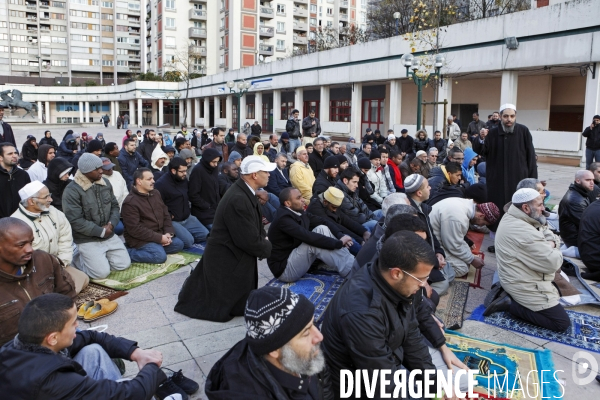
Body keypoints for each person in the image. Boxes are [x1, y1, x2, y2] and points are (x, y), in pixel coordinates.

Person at [322, 231, 454, 397]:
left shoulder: (394, 284)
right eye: (421, 279)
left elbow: (412, 336)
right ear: (397, 273)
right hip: (359, 386)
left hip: (387, 363)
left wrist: (436, 387)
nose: (424, 285)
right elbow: (382, 383)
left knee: (454, 382)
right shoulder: (362, 312)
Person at [0, 293, 198, 399]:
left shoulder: (24, 343)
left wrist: (135, 353)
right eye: (73, 323)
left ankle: (130, 385)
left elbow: (94, 336)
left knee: (92, 349)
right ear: (52, 338)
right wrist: (152, 369)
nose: (79, 325)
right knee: (132, 390)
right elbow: (132, 394)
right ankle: (156, 382)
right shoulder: (52, 382)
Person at [174, 156, 274, 322]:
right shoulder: (238, 198)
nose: (269, 175)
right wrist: (269, 247)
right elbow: (247, 240)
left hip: (232, 252)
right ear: (254, 175)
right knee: (226, 303)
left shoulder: (244, 191)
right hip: (226, 257)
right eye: (266, 172)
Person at [206, 286, 327, 398]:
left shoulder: (301, 355)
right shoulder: (251, 393)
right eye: (306, 332)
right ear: (274, 350)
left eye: (313, 324)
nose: (319, 336)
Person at [484, 188, 570, 332]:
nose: (543, 208)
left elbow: (544, 227)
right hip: (522, 282)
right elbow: (554, 263)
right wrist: (554, 243)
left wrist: (550, 242)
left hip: (518, 275)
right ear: (525, 207)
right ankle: (509, 304)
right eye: (540, 205)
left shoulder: (516, 214)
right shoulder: (523, 230)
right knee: (561, 324)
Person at [0, 218, 76, 345]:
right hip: (18, 356)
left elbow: (67, 294)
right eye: (21, 245)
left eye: (31, 242)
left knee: (96, 349)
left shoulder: (43, 259)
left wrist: (67, 328)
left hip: (59, 339)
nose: (30, 249)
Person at [11, 181, 89, 294]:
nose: (50, 200)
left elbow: (65, 238)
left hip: (59, 265)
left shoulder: (53, 212)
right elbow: (20, 258)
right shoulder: (16, 224)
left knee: (83, 278)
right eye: (46, 197)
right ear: (31, 201)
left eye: (49, 195)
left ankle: (57, 296)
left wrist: (62, 262)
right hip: (34, 273)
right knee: (56, 290)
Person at [62, 154, 131, 279]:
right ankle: (78, 258)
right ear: (86, 171)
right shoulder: (71, 191)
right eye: (97, 168)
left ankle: (99, 258)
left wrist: (111, 224)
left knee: (123, 265)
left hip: (108, 233)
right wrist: (100, 231)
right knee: (101, 273)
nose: (101, 170)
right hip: (86, 238)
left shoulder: (105, 182)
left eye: (101, 167)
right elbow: (75, 220)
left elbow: (115, 206)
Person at [267, 187, 354, 282]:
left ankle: (352, 264)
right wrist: (339, 243)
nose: (303, 200)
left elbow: (323, 221)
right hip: (284, 270)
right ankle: (351, 272)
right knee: (313, 243)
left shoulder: (296, 211)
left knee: (321, 228)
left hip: (294, 257)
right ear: (288, 203)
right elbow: (307, 236)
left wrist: (340, 235)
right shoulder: (283, 219)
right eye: (298, 198)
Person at [473, 104, 537, 224]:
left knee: (519, 209)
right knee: (498, 210)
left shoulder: (523, 131)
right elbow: (481, 151)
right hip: (497, 180)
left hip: (518, 179)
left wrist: (533, 181)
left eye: (512, 116)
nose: (509, 119)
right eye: (506, 116)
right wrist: (481, 139)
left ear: (515, 116)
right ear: (500, 117)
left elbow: (531, 158)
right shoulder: (492, 133)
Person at [121, 169, 184, 264]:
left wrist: (168, 233)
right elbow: (134, 229)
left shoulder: (156, 193)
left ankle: (155, 248)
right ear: (139, 181)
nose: (153, 181)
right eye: (149, 179)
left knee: (179, 244)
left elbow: (166, 214)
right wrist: (160, 238)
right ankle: (127, 252)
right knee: (159, 257)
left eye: (153, 178)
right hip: (140, 239)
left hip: (158, 234)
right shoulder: (130, 202)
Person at [404, 174, 453, 295]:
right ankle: (418, 296)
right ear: (419, 193)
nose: (430, 188)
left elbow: (431, 234)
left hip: (429, 255)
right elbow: (415, 249)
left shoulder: (422, 208)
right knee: (444, 283)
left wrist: (438, 252)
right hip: (416, 262)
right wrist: (435, 262)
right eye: (427, 186)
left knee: (451, 272)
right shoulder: (410, 213)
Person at [430, 198, 499, 276]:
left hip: (439, 237)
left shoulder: (465, 204)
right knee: (462, 268)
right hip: (431, 242)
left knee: (467, 254)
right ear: (481, 215)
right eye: (483, 223)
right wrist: (471, 259)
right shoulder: (458, 217)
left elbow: (456, 240)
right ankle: (429, 271)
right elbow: (453, 245)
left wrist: (469, 257)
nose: (480, 226)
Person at [155, 158, 209, 249]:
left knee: (206, 235)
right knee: (188, 242)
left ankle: (186, 233)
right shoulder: (161, 184)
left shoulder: (183, 179)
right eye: (182, 171)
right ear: (173, 170)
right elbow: (157, 206)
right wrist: (169, 215)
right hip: (173, 221)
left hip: (187, 218)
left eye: (186, 171)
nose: (185, 173)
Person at [307, 187, 370, 256]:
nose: (335, 210)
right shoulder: (315, 208)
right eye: (334, 207)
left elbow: (345, 220)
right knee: (351, 241)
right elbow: (333, 225)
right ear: (325, 202)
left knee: (370, 227)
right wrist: (360, 240)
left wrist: (363, 232)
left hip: (338, 231)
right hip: (328, 236)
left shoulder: (332, 203)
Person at [335, 168, 383, 232]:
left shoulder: (351, 190)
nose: (357, 185)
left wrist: (376, 219)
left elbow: (364, 208)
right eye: (354, 182)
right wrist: (374, 220)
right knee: (375, 223)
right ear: (345, 180)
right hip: (356, 226)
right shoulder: (339, 194)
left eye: (357, 182)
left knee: (381, 212)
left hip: (363, 218)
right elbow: (355, 216)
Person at [558, 170, 595, 251]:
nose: (592, 183)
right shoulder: (576, 201)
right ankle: (571, 251)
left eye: (593, 180)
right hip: (575, 240)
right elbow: (588, 226)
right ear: (578, 180)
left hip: (577, 236)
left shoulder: (579, 192)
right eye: (588, 180)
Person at [188, 148, 221, 230]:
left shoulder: (214, 169)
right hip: (203, 212)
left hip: (215, 210)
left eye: (217, 162)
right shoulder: (198, 170)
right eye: (213, 162)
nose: (216, 164)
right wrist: (207, 206)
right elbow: (193, 194)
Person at [0, 143, 31, 218]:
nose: (14, 156)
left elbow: (29, 198)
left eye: (15, 153)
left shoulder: (23, 175)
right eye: (10, 154)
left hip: (20, 221)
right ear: (1, 157)